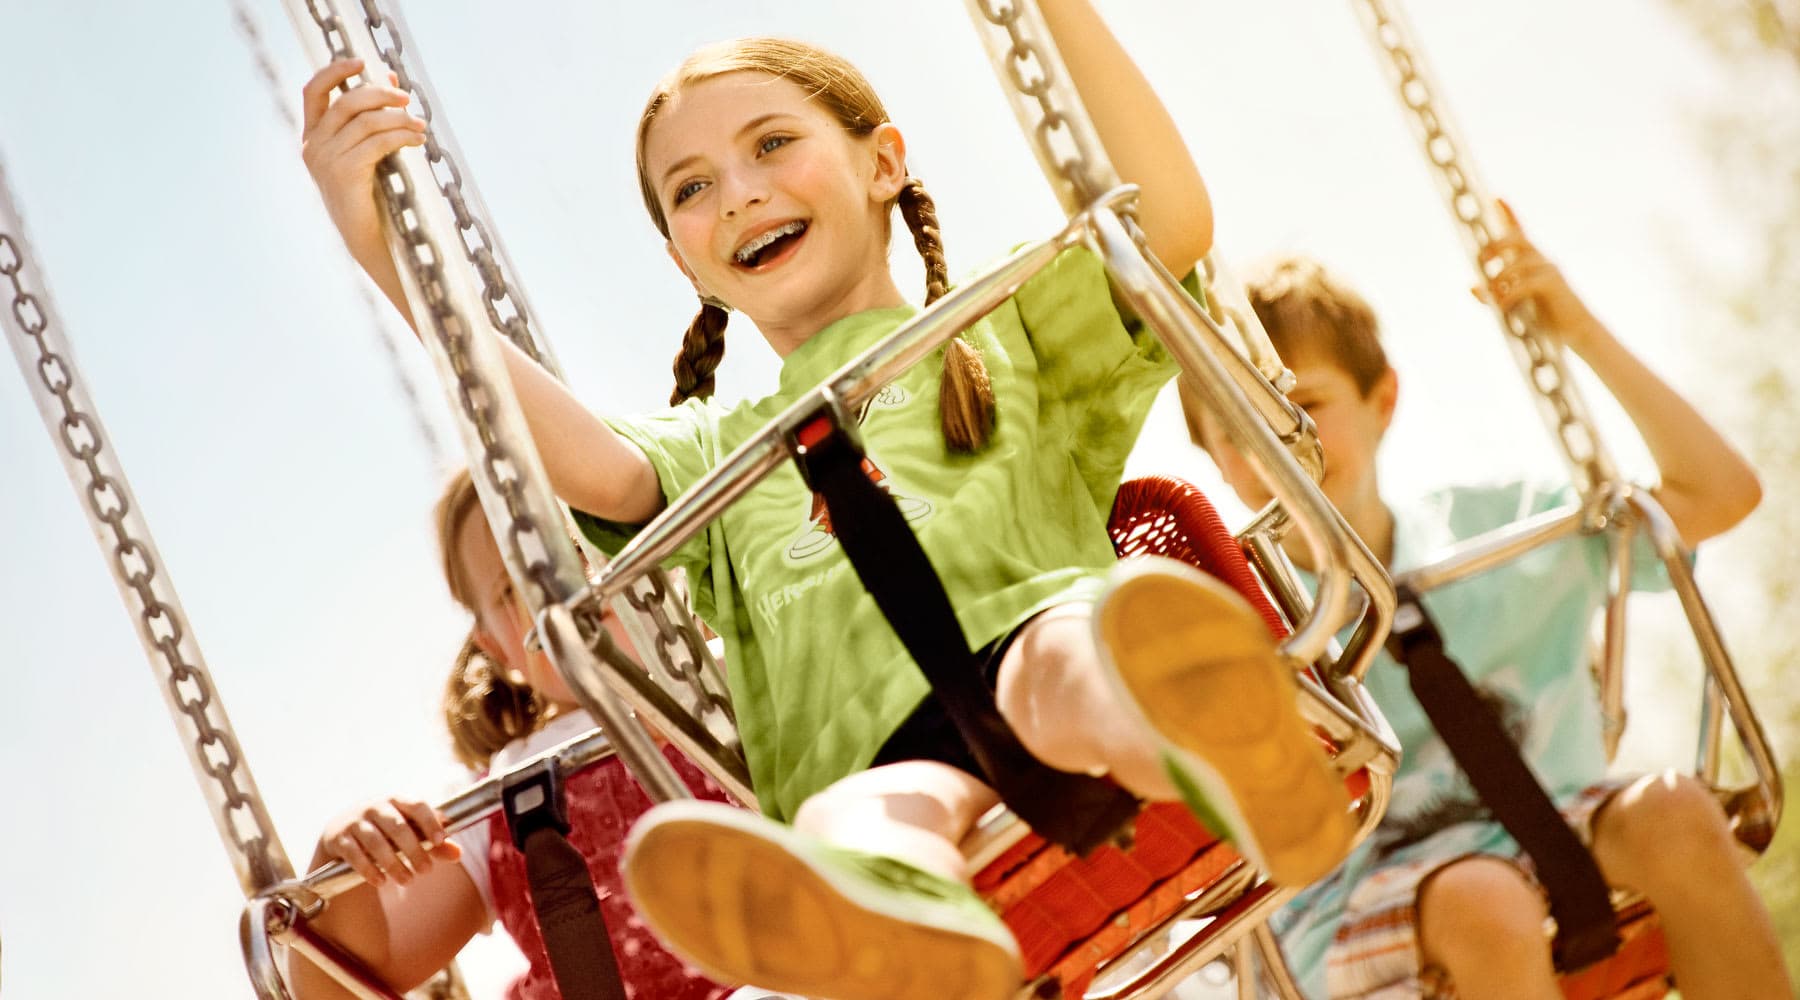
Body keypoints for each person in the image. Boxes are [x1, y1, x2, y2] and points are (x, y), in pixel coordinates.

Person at [299, 10, 1355, 998]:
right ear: (685, 263)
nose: (739, 195)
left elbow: (1163, 225)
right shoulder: (710, 452)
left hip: (1043, 656)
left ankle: (1221, 748)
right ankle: (916, 936)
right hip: (880, 762)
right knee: (851, 830)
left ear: (884, 163)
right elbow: (579, 462)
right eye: (693, 188)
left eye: (771, 145)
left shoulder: (1002, 323)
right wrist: (391, 254)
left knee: (1076, 660)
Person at [1184, 206, 1790, 1000]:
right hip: (1351, 904)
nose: (1276, 445)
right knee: (1486, 902)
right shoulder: (1239, 622)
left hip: (1556, 822)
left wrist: (1578, 330)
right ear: (1213, 457)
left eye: (1304, 405)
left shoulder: (1508, 530)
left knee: (1678, 812)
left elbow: (1721, 493)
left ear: (1383, 401)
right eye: (1235, 426)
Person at [290, 470, 737, 1000]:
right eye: (515, 586)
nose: (562, 587)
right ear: (497, 647)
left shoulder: (738, 677)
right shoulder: (500, 797)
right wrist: (340, 857)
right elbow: (343, 985)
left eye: (579, 545)